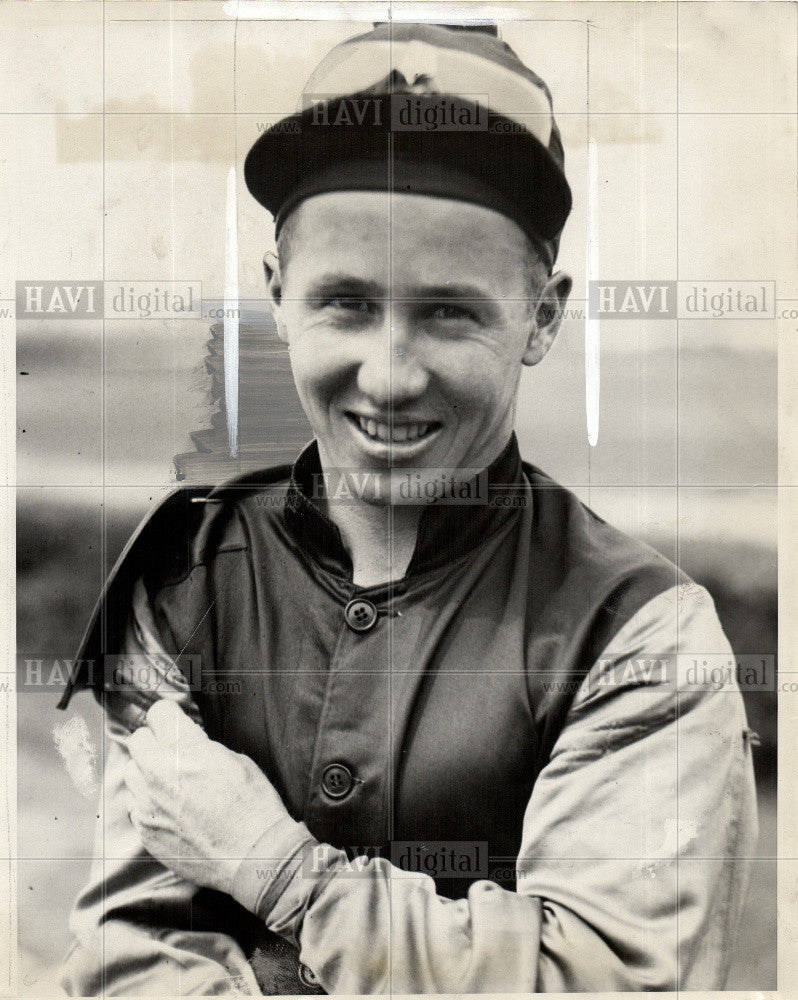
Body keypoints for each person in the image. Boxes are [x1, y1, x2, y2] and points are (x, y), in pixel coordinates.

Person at [59, 22, 757, 996]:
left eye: (448, 312)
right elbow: (134, 959)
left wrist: (282, 875)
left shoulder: (639, 630)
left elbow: (603, 978)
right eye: (344, 303)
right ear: (278, 297)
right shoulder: (186, 572)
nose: (388, 376)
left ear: (543, 316)